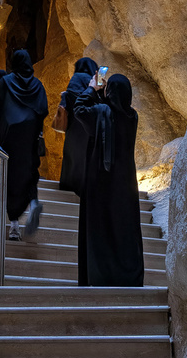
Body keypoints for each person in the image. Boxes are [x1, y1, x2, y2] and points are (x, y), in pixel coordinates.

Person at [74, 72, 144, 286]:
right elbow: (112, 110)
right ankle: (126, 275)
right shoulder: (132, 117)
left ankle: (101, 274)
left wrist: (91, 89)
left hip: (101, 183)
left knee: (101, 229)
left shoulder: (101, 112)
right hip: (125, 185)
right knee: (123, 229)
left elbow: (79, 109)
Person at [0, 49, 48, 241]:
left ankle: (14, 225)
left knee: (11, 178)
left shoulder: (6, 81)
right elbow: (43, 109)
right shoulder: (38, 84)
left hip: (10, 136)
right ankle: (34, 201)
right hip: (30, 136)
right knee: (30, 172)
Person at [58, 55, 98, 195]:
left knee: (73, 154)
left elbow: (73, 97)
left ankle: (69, 185)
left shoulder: (78, 77)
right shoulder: (93, 81)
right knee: (86, 155)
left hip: (76, 125)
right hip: (90, 125)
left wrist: (65, 95)